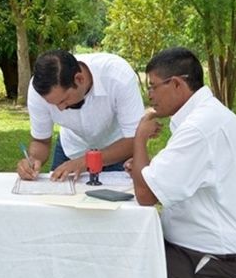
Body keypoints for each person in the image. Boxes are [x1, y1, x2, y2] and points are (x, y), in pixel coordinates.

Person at [126, 47, 236, 278]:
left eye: (152, 86)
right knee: (125, 256)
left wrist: (139, 137)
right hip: (201, 251)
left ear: (176, 84)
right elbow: (158, 179)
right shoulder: (207, 118)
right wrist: (141, 167)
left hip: (216, 261)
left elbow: (146, 195)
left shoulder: (200, 128)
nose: (149, 95)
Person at [17, 49, 144, 181]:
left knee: (114, 200)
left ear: (79, 79)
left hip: (117, 151)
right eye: (52, 104)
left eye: (63, 100)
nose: (60, 108)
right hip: (71, 149)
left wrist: (86, 162)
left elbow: (135, 138)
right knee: (58, 199)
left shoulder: (118, 76)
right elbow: (41, 141)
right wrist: (33, 160)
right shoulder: (38, 91)